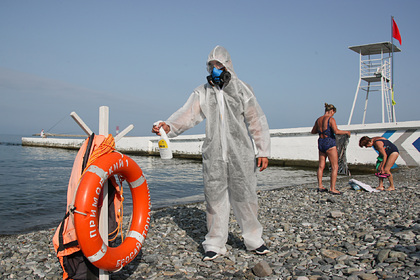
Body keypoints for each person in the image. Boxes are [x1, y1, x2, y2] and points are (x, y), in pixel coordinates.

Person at [152, 45, 271, 261]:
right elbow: (188, 114)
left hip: (241, 152)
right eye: (211, 65)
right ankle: (215, 242)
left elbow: (256, 119)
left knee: (246, 195)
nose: (214, 69)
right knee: (214, 198)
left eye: (219, 65)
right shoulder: (203, 92)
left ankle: (254, 239)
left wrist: (263, 150)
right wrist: (169, 125)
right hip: (214, 153)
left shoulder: (242, 89)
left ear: (228, 66)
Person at [311, 103, 351, 195]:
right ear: (331, 111)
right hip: (329, 142)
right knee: (334, 166)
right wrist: (346, 132)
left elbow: (313, 131)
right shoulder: (331, 119)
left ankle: (320, 186)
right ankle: (332, 188)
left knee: (321, 166)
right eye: (333, 113)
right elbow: (336, 131)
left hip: (321, 142)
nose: (333, 114)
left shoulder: (318, 120)